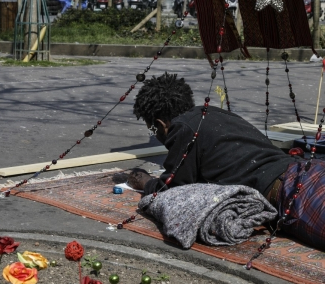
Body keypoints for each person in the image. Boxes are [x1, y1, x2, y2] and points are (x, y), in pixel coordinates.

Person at [128, 72, 325, 251]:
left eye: (152, 130)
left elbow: (171, 190)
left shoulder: (183, 129)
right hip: (307, 170)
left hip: (292, 191)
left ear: (161, 124)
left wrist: (144, 181)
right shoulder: (212, 113)